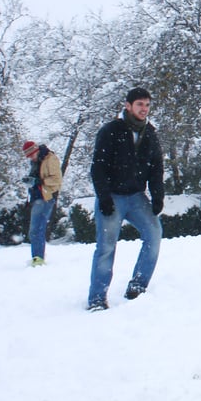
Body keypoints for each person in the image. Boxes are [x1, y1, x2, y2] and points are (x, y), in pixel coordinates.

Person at [86, 87, 165, 312]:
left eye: (147, 105)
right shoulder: (111, 130)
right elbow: (98, 167)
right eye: (140, 104)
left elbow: (156, 167)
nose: (144, 109)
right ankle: (97, 299)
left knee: (154, 234)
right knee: (106, 247)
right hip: (111, 196)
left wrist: (158, 196)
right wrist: (104, 197)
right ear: (128, 105)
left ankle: (138, 285)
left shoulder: (149, 133)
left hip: (136, 197)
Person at [21, 140, 63, 266]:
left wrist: (39, 182)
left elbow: (57, 180)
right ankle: (37, 257)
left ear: (36, 151)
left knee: (37, 228)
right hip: (36, 197)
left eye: (32, 155)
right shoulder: (35, 162)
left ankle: (38, 258)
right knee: (35, 229)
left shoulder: (50, 159)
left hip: (45, 197)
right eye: (29, 157)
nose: (31, 158)